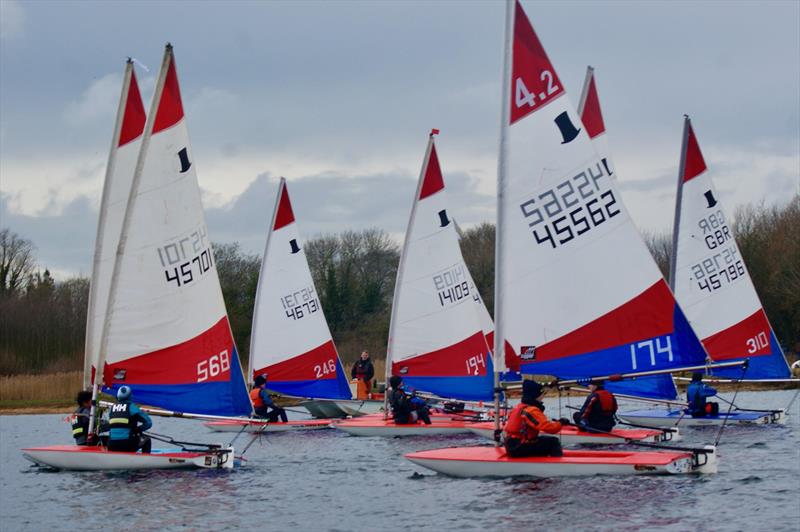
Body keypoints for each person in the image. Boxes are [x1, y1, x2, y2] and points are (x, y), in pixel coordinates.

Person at [503, 380, 568, 457]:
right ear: (536, 396)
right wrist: (561, 423)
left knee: (543, 440)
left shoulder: (518, 408)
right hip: (518, 448)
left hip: (512, 445)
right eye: (541, 395)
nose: (542, 398)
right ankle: (558, 465)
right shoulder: (531, 410)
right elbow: (550, 429)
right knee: (553, 441)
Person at [107, 386, 152, 453]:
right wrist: (138, 429)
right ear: (130, 396)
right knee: (147, 440)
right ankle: (145, 461)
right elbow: (148, 423)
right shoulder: (131, 407)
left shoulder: (112, 408)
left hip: (111, 445)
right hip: (127, 445)